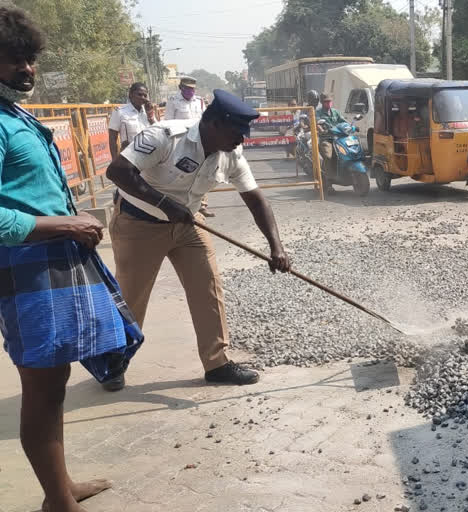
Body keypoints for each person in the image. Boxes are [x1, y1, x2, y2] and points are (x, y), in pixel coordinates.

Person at [0, 6, 143, 511]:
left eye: (31, 59)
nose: (28, 70)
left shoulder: (12, 113)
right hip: (26, 270)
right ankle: (59, 502)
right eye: (15, 59)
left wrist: (69, 219)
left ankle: (57, 488)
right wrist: (63, 224)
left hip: (53, 263)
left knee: (56, 380)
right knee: (41, 386)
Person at [105, 89, 291, 390]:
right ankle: (113, 362)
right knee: (131, 296)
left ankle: (217, 363)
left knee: (208, 288)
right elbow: (117, 170)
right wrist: (164, 203)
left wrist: (276, 247)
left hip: (189, 224)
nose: (241, 139)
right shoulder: (165, 136)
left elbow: (256, 200)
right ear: (214, 124)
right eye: (237, 132)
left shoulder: (230, 154)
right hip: (139, 223)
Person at [164, 76, 215, 217]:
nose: (190, 91)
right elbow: (168, 122)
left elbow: (204, 120)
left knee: (201, 172)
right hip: (180, 142)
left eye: (192, 89)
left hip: (198, 141)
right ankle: (180, 203)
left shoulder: (199, 101)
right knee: (181, 173)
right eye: (187, 88)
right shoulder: (173, 101)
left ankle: (202, 205)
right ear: (181, 88)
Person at [108, 82, 156, 160]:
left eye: (145, 95)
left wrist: (150, 116)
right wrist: (115, 159)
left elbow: (157, 130)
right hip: (130, 157)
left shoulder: (148, 111)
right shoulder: (120, 112)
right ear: (130, 95)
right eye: (139, 94)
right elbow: (112, 138)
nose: (143, 97)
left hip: (150, 155)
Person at [317, 92, 346, 179]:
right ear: (322, 102)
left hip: (339, 138)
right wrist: (321, 130)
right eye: (326, 101)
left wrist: (352, 126)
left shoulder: (335, 112)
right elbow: (317, 123)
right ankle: (328, 181)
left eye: (330, 101)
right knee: (328, 157)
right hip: (326, 139)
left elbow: (343, 120)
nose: (328, 103)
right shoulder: (318, 112)